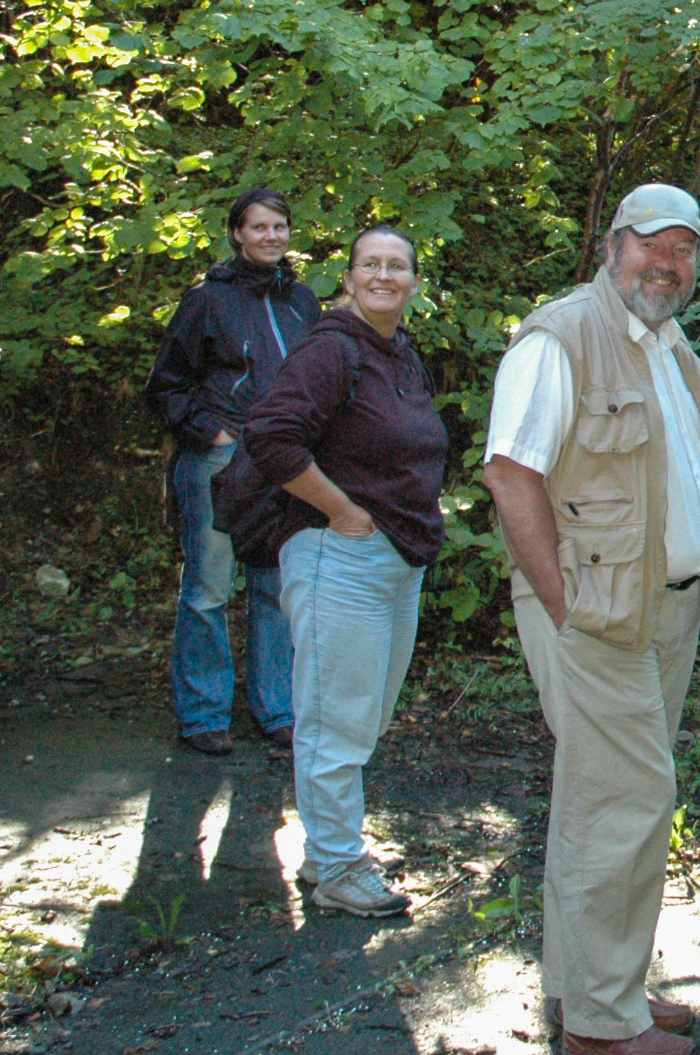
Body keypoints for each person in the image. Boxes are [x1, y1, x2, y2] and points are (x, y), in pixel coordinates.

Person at [484, 184, 700, 1055]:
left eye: (684, 249)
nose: (667, 263)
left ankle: (597, 985)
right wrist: (564, 604)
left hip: (668, 608)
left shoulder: (672, 348)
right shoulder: (561, 337)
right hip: (598, 616)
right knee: (627, 799)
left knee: (602, 800)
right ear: (613, 245)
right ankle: (599, 1027)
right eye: (651, 245)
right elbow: (510, 472)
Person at [244, 226, 448, 918]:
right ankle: (337, 866)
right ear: (350, 277)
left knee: (365, 715)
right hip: (340, 555)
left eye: (397, 266)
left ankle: (325, 849)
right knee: (335, 719)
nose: (384, 276)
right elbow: (272, 434)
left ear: (414, 282)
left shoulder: (399, 353)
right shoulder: (331, 349)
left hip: (398, 557)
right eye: (370, 264)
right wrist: (342, 511)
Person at [146, 189, 320, 756]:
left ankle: (277, 709)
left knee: (276, 588)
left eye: (280, 226)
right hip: (220, 458)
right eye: (259, 227)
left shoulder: (302, 302)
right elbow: (167, 384)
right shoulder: (208, 300)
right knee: (207, 589)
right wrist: (211, 433)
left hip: (284, 460)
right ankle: (204, 714)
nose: (271, 236)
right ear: (237, 234)